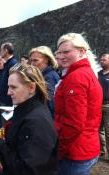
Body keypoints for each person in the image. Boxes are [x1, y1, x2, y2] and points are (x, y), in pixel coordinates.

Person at [0, 63, 58, 175]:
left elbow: (27, 169)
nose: (8, 92)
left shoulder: (36, 122)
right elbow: (22, 142)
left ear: (31, 87)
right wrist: (1, 135)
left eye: (13, 87)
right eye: (8, 87)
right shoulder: (26, 108)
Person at [54, 33, 102, 175]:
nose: (61, 56)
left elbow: (74, 123)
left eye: (67, 52)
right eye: (59, 52)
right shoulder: (86, 72)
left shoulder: (76, 77)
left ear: (82, 51)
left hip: (75, 151)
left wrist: (59, 149)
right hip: (86, 146)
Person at [29, 46, 60, 117]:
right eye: (31, 60)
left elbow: (50, 104)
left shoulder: (50, 77)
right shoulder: (42, 76)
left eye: (36, 60)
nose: (32, 64)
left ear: (46, 59)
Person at [98, 53, 109, 159]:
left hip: (108, 106)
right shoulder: (98, 74)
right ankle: (102, 151)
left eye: (104, 59)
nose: (101, 61)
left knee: (108, 130)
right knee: (99, 129)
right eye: (101, 59)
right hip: (98, 104)